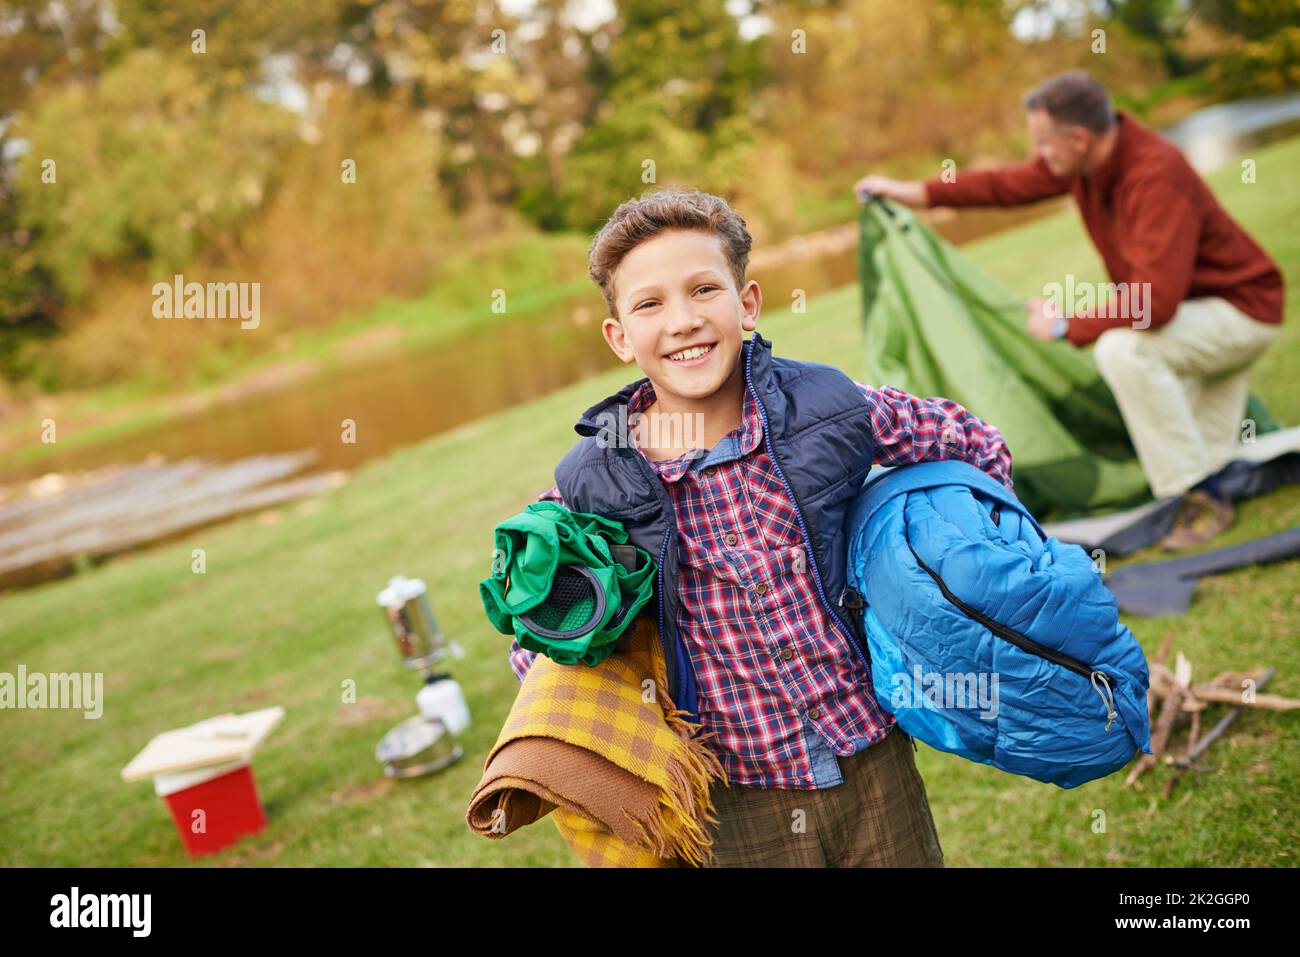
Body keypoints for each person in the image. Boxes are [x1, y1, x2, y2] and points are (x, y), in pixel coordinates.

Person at [507, 188, 1016, 866]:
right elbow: (539, 630)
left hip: (870, 752)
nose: (683, 320)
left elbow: (972, 442)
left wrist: (969, 573)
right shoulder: (594, 479)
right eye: (650, 304)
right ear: (620, 336)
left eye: (704, 290)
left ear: (747, 304)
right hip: (735, 792)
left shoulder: (829, 408)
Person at [853, 70, 1285, 551]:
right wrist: (916, 193)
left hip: (1240, 313)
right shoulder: (1085, 165)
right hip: (1198, 317)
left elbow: (1155, 302)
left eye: (1044, 143)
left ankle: (1200, 498)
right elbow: (1007, 185)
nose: (1040, 155)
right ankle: (1209, 476)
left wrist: (1064, 324)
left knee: (1126, 352)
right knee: (1214, 452)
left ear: (1079, 138)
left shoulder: (1153, 175)